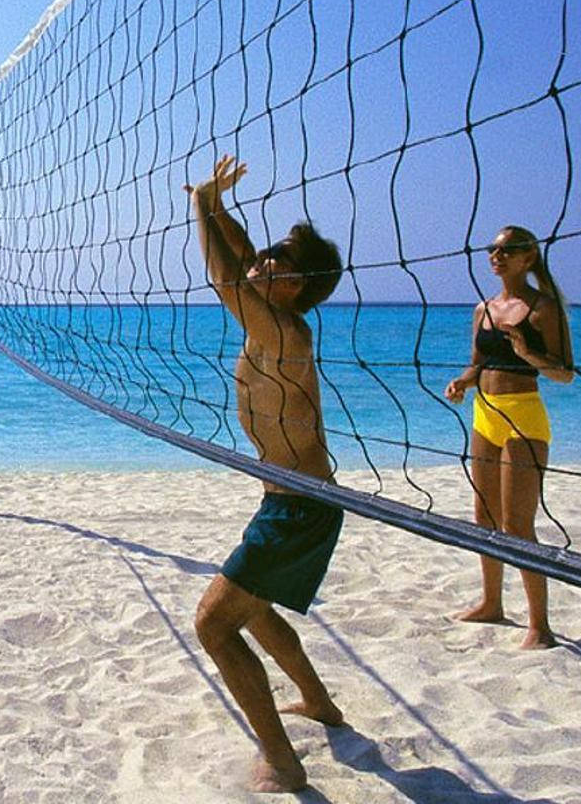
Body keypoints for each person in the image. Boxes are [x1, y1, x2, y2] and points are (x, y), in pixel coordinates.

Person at [187, 155, 346, 793]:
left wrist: (201, 202)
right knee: (252, 609)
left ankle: (282, 760)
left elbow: (226, 274)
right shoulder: (274, 308)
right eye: (270, 253)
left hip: (301, 504)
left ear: (295, 286)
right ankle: (321, 703)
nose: (265, 260)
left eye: (279, 261)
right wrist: (223, 209)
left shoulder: (281, 331)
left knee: (214, 624)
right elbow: (248, 256)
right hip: (289, 498)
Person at [444, 225, 574, 649]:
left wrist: (526, 353)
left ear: (528, 257)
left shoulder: (543, 308)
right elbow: (477, 363)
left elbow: (564, 373)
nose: (496, 256)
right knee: (484, 517)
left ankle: (541, 626)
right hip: (485, 414)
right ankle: (492, 604)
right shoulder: (483, 309)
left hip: (524, 416)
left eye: (507, 250)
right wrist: (462, 382)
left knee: (518, 525)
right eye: (493, 249)